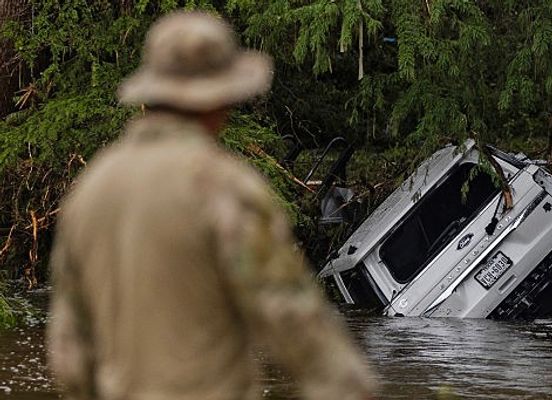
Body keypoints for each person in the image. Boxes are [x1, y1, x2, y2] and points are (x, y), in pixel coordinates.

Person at [46, 11, 375, 400]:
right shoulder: (222, 187)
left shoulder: (92, 189)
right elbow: (292, 318)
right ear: (219, 99)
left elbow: (68, 350)